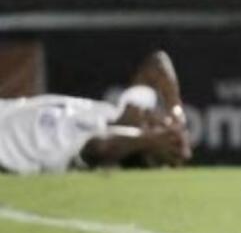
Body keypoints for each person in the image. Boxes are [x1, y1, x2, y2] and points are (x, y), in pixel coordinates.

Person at [0, 50, 190, 174]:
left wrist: (149, 140)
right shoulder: (114, 112)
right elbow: (157, 62)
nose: (151, 113)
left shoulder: (97, 145)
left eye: (153, 125)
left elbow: (99, 148)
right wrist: (176, 112)